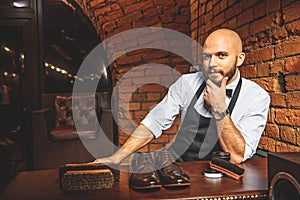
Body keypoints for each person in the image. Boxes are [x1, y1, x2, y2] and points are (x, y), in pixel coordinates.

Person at [93, 28, 270, 165]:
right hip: (182, 168)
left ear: (239, 59)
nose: (212, 64)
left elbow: (238, 155)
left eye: (221, 55)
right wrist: (117, 157)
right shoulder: (187, 83)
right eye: (207, 56)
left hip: (224, 176)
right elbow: (154, 122)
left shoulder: (256, 97)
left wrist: (219, 107)